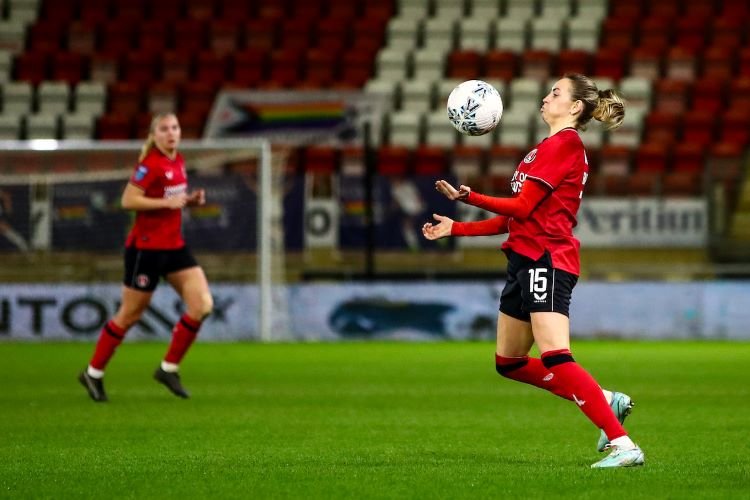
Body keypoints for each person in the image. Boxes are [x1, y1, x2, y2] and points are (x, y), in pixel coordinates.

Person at [422, 74, 644, 468]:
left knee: (556, 354)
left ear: (575, 107)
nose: (545, 97)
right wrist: (456, 227)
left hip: (548, 259)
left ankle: (623, 444)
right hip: (523, 258)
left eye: (555, 93)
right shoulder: (544, 149)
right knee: (509, 362)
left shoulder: (567, 144)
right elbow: (518, 220)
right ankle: (605, 398)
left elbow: (522, 208)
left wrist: (469, 196)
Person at [79, 112, 213, 402]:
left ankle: (168, 368)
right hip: (146, 250)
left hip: (174, 247)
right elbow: (128, 200)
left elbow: (171, 200)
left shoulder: (178, 161)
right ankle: (93, 372)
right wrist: (167, 202)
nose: (171, 133)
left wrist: (188, 201)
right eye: (164, 129)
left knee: (202, 305)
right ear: (154, 135)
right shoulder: (149, 165)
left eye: (175, 127)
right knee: (129, 315)